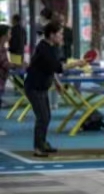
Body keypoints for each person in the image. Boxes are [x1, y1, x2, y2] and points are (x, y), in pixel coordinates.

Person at [24, 22, 87, 157]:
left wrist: (57, 82)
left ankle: (43, 143)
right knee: (43, 117)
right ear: (51, 35)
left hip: (42, 86)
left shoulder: (51, 47)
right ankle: (38, 147)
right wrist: (77, 63)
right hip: (34, 87)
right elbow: (58, 67)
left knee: (47, 116)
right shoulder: (44, 48)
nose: (61, 36)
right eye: (59, 34)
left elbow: (50, 69)